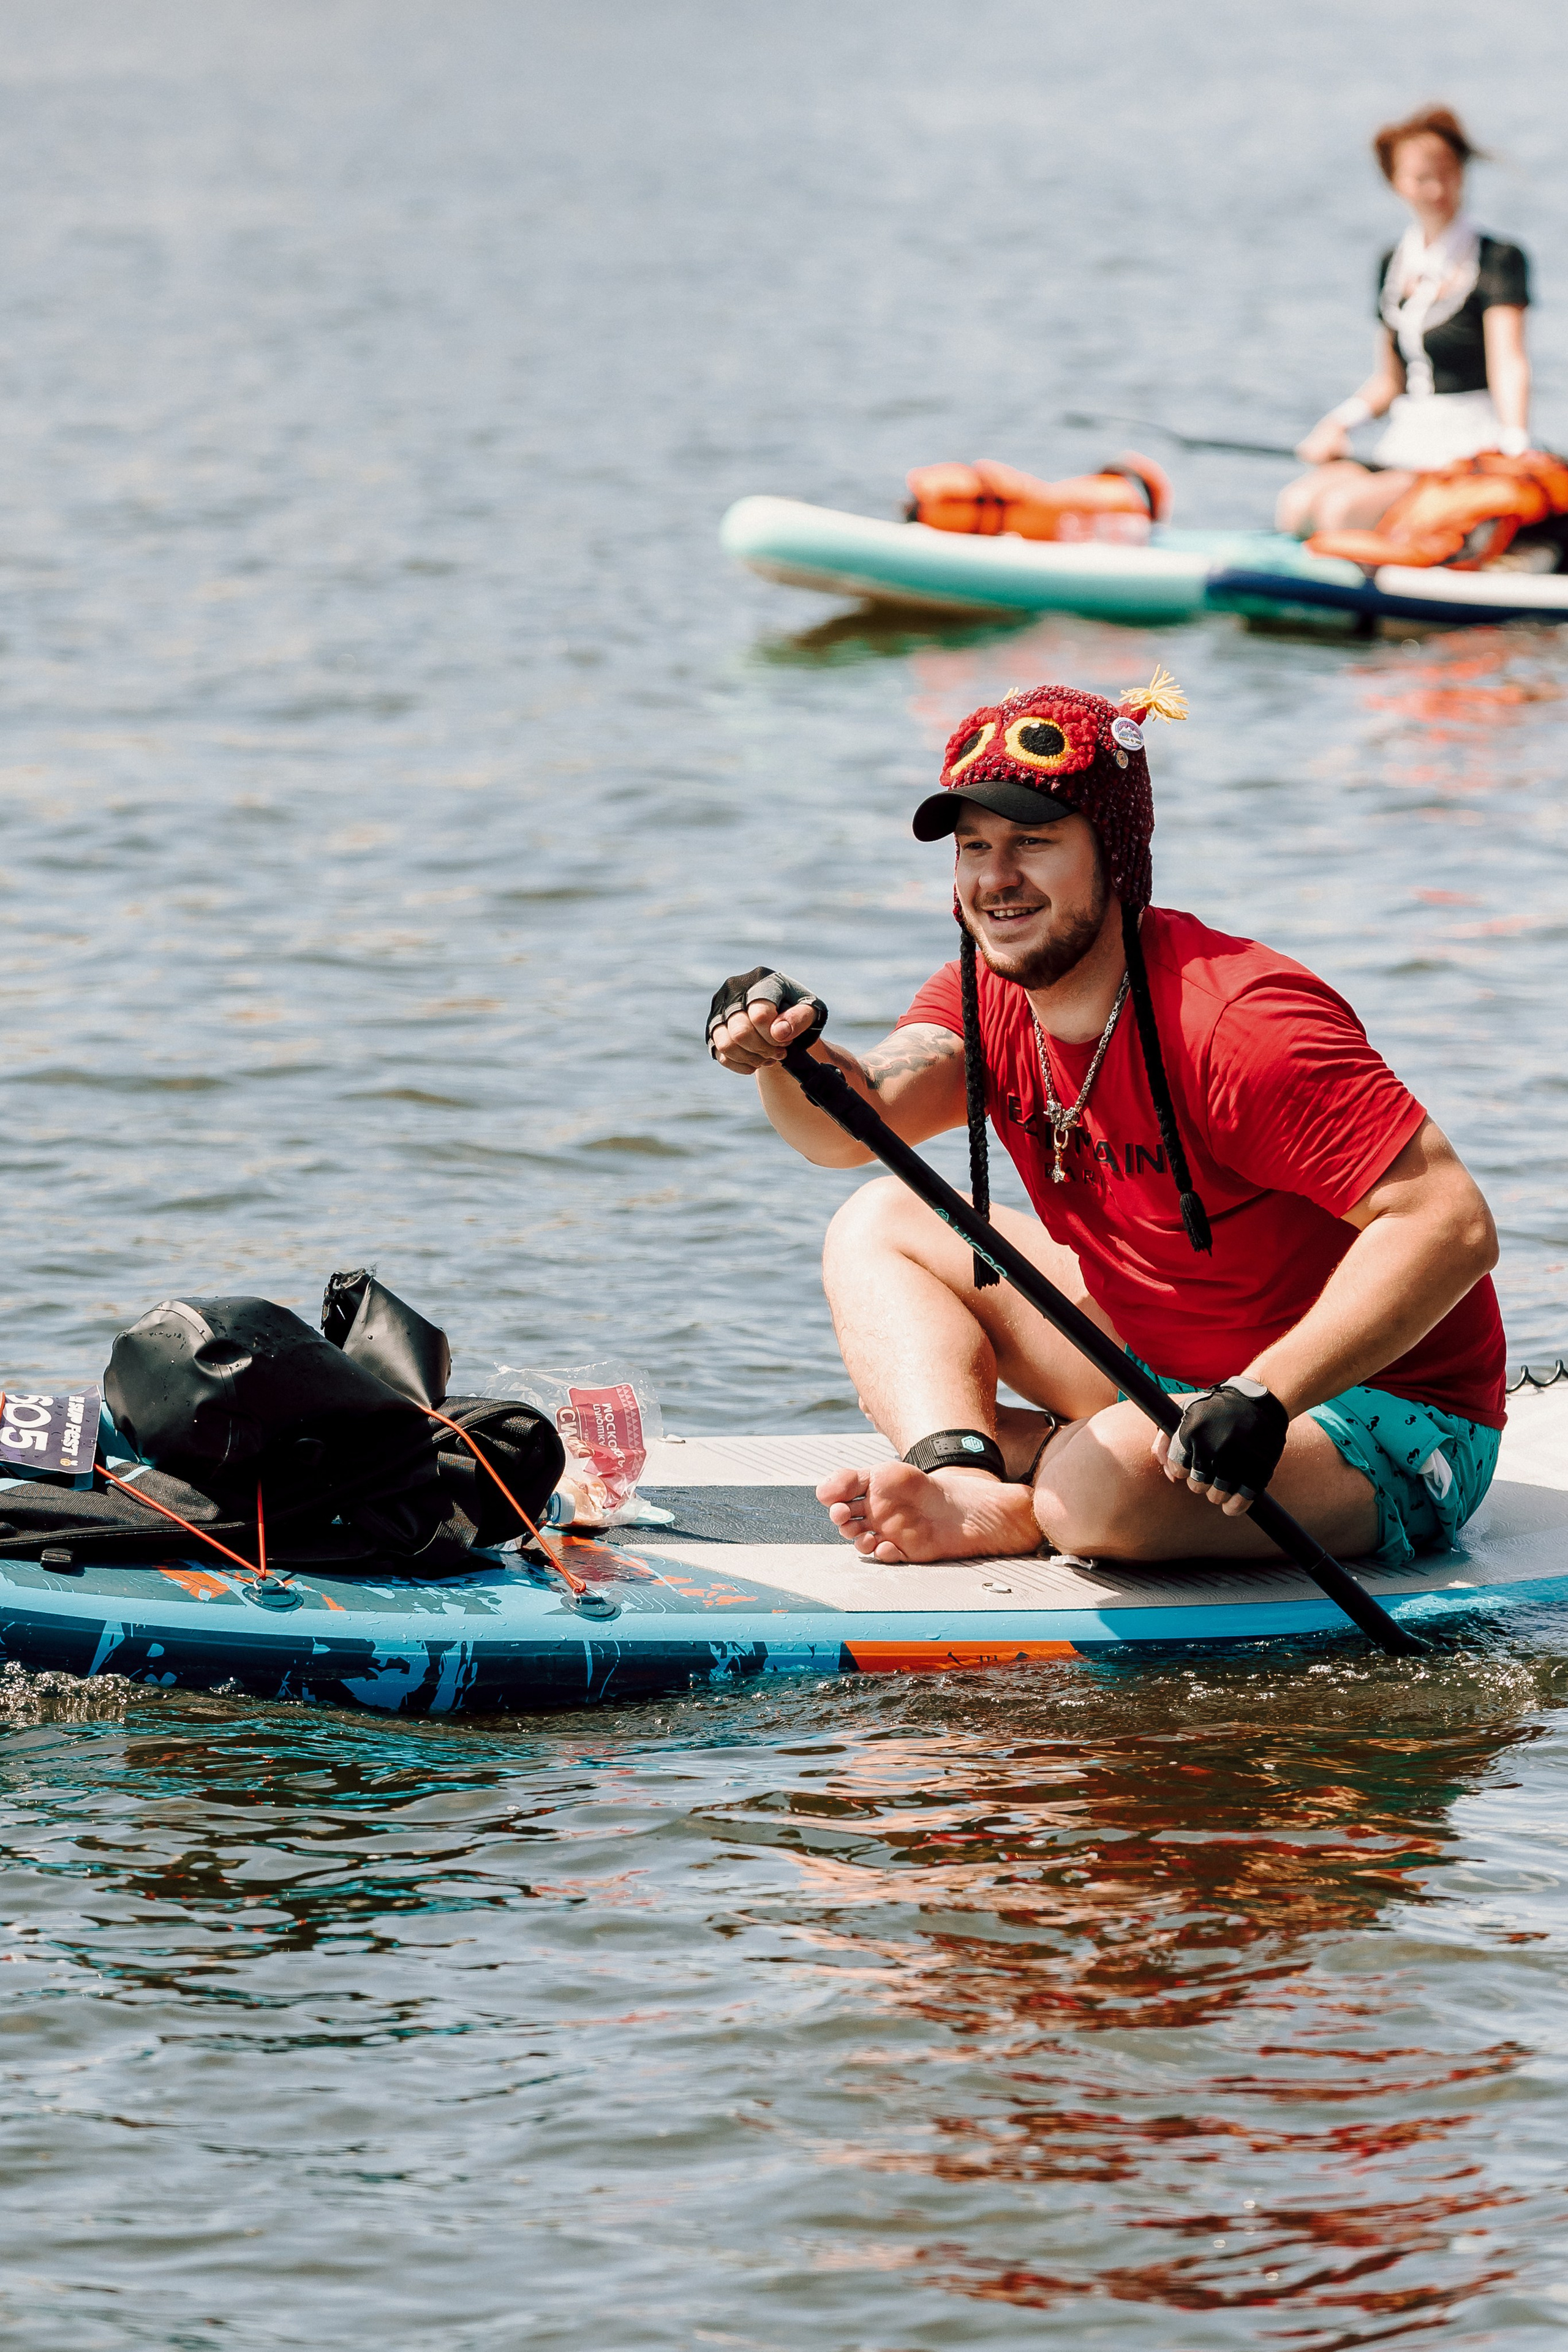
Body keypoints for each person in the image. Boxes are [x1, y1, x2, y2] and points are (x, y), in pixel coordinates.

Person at [706, 674, 1506, 1569]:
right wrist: (785, 1050)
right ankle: (970, 1472)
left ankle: (1048, 1489)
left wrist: (1267, 1396)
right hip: (1161, 1369)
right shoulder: (985, 993)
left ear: (1117, 855)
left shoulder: (1240, 1023)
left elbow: (1452, 1225)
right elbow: (851, 1125)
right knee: (879, 1222)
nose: (996, 879)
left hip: (1371, 1405)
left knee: (1097, 1494)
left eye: (1033, 843)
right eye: (974, 847)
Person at [1276, 107, 1531, 541]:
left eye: (1447, 173)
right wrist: (1337, 425)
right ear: (1397, 184)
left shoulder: (1498, 259)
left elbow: (1508, 362)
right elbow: (1388, 382)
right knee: (1295, 507)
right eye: (1421, 178)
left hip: (1467, 442)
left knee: (1342, 512)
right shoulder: (1392, 264)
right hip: (1407, 438)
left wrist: (1515, 439)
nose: (1436, 189)